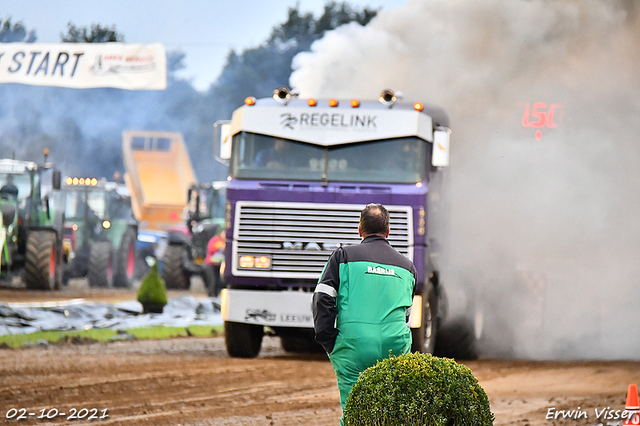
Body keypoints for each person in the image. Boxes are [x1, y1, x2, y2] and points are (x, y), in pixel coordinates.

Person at [312, 203, 417, 424]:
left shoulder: (342, 257)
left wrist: (328, 340)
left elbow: (323, 298)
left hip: (353, 347)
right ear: (388, 232)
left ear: (360, 229)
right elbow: (407, 315)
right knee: (390, 413)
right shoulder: (408, 268)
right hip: (394, 348)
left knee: (354, 413)